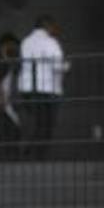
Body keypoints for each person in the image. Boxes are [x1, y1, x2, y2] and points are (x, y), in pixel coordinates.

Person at [17, 15, 68, 159]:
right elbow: (57, 66)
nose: (54, 30)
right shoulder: (51, 43)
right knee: (47, 124)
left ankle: (30, 151)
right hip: (47, 89)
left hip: (27, 88)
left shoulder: (25, 42)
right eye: (52, 27)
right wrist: (66, 67)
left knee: (37, 122)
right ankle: (37, 154)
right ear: (48, 26)